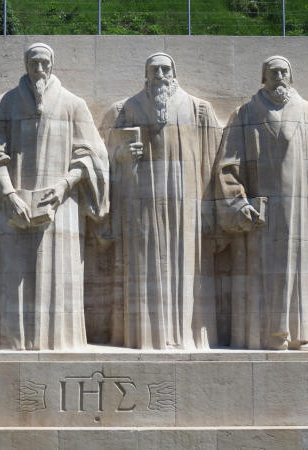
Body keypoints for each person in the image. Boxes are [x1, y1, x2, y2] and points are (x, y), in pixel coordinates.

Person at [0, 43, 109, 350]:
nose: (39, 69)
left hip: (62, 206)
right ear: (25, 64)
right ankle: (14, 342)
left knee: (59, 277)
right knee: (12, 278)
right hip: (11, 205)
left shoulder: (73, 104)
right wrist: (8, 194)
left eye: (45, 63)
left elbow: (91, 155)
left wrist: (63, 186)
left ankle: (60, 342)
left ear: (52, 65)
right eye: (34, 63)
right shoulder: (3, 104)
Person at [216, 56, 308, 351]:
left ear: (291, 76)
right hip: (261, 212)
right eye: (272, 72)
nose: (278, 77)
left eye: (283, 72)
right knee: (262, 269)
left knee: (304, 268)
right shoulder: (245, 114)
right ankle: (268, 335)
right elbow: (227, 166)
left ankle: (304, 334)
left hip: (304, 210)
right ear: (263, 77)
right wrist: (238, 203)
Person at [100, 52, 222, 350]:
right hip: (140, 205)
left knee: (186, 270)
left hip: (186, 205)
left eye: (165, 69)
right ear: (146, 74)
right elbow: (102, 157)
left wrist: (211, 208)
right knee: (144, 267)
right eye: (154, 70)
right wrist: (121, 155)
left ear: (174, 73)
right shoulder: (125, 109)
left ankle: (183, 337)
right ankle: (145, 337)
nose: (160, 75)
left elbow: (214, 162)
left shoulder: (198, 110)